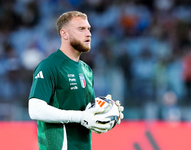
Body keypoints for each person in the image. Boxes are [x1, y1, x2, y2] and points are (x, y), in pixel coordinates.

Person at [28, 11, 124, 150]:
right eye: (81, 29)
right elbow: (35, 109)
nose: (88, 34)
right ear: (64, 34)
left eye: (89, 29)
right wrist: (79, 116)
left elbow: (86, 116)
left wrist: (108, 113)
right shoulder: (49, 65)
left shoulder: (87, 70)